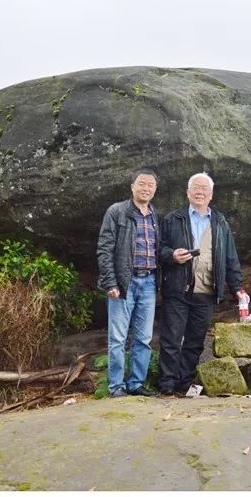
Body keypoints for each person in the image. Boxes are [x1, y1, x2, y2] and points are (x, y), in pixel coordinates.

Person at [157, 172, 246, 396]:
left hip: (206, 291)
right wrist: (171, 255)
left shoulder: (220, 222)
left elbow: (230, 257)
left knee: (195, 340)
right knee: (171, 338)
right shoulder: (173, 219)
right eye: (195, 187)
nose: (199, 191)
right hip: (177, 288)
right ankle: (166, 383)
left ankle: (183, 382)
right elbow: (158, 249)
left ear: (211, 195)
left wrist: (237, 288)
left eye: (204, 188)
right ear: (187, 193)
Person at [96, 169, 161, 398]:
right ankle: (116, 387)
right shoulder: (117, 211)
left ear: (155, 189)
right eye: (142, 184)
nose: (146, 188)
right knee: (118, 339)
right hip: (125, 282)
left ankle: (136, 384)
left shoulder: (154, 214)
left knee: (143, 338)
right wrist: (110, 282)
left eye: (150, 185)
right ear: (132, 186)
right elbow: (104, 249)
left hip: (149, 282)